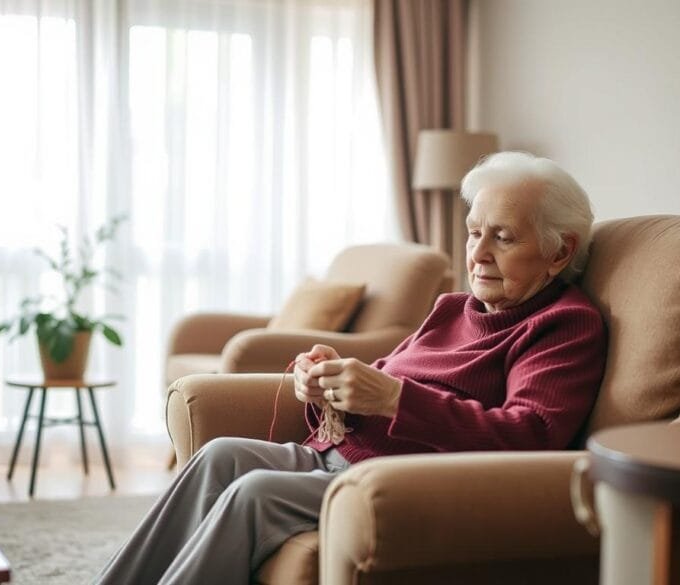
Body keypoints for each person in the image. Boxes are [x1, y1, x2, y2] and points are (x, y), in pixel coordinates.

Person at [92, 151, 608, 585]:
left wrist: (392, 399)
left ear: (559, 252)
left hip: (399, 480)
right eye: (475, 233)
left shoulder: (563, 325)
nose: (478, 254)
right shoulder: (453, 308)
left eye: (503, 237)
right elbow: (382, 376)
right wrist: (327, 382)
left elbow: (532, 435)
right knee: (219, 455)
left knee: (255, 492)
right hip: (339, 457)